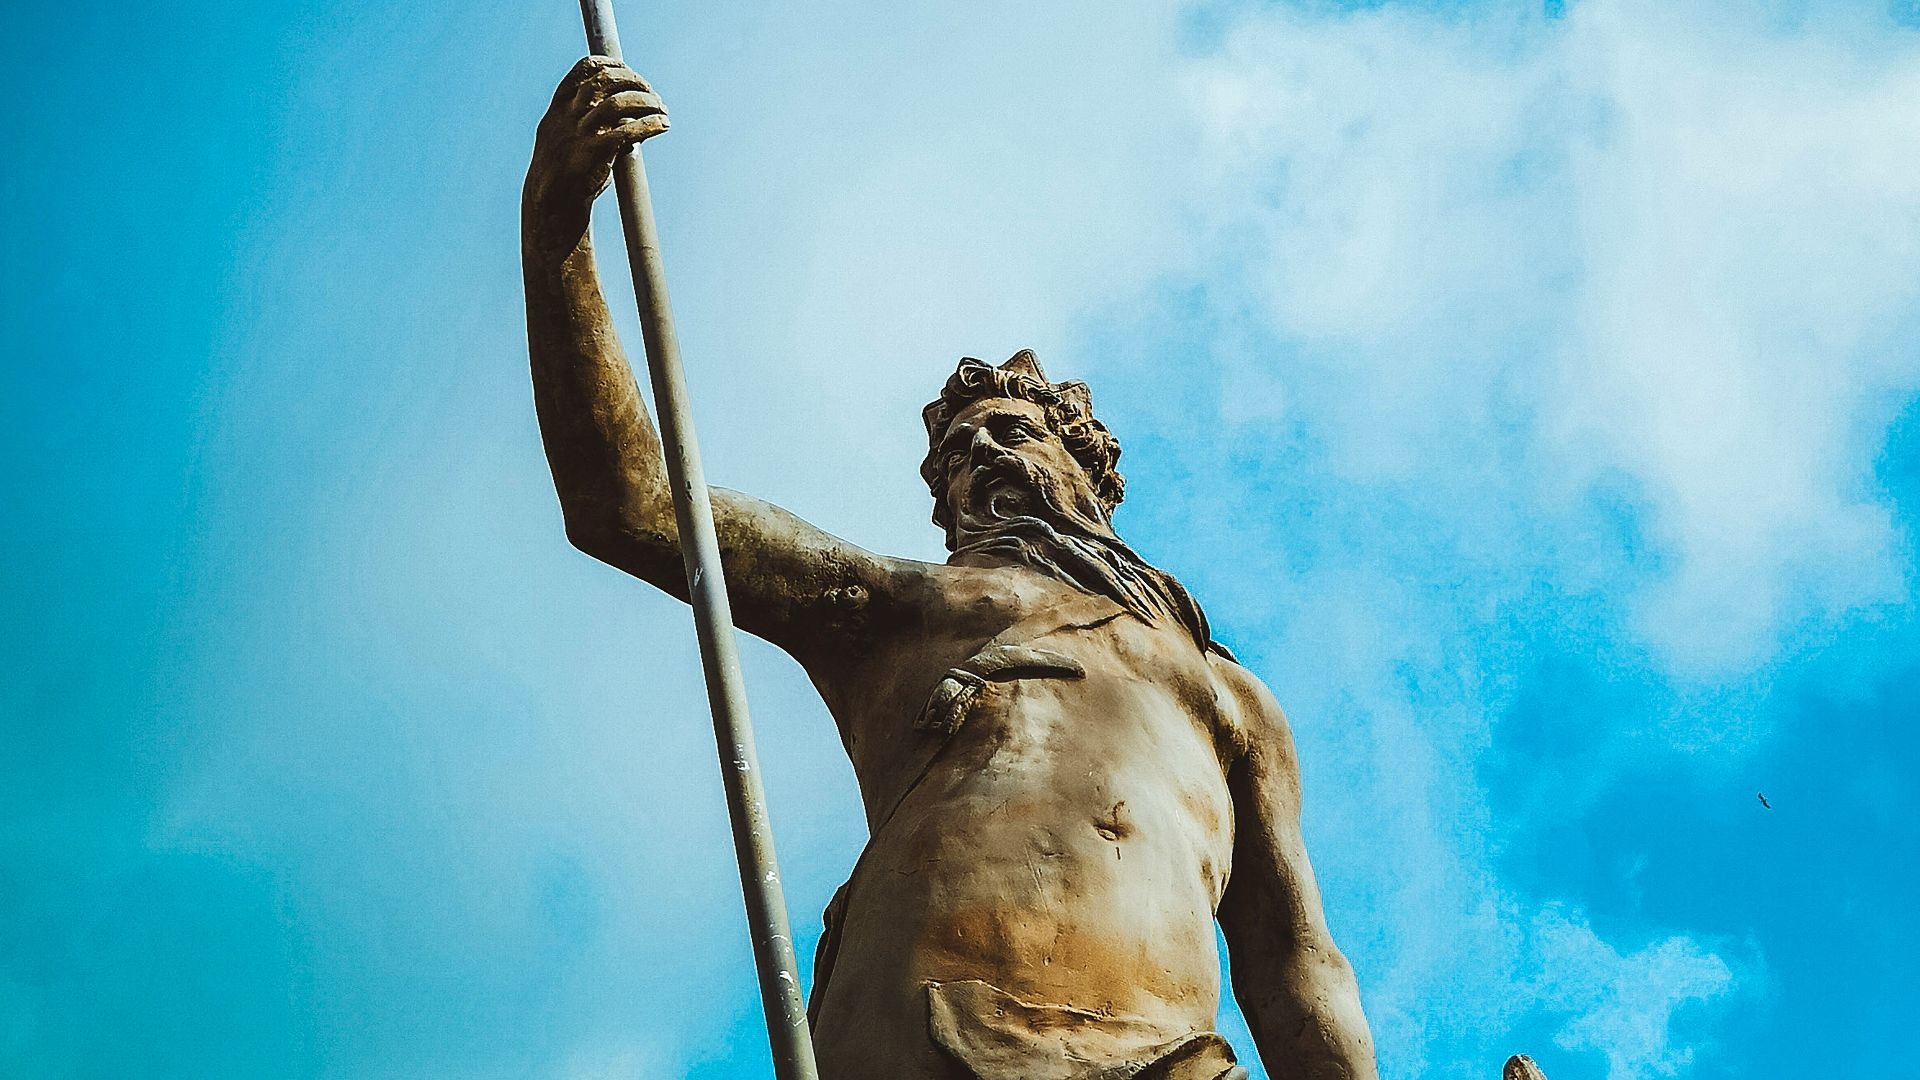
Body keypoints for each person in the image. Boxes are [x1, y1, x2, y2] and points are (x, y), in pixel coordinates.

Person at [522, 56, 1379, 1080]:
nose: (977, 457)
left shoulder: (1234, 700)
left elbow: (1294, 970)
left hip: (1175, 1061)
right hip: (939, 1042)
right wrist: (556, 220)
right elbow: (631, 505)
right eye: (955, 457)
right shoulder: (906, 608)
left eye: (1009, 432)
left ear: (1089, 470)